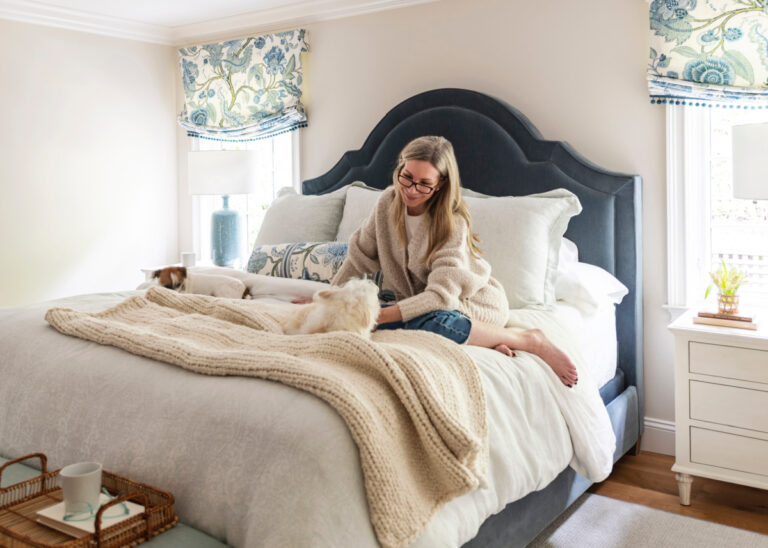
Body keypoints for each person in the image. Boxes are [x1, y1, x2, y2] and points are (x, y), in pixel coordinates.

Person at [317, 136, 577, 387]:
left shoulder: (451, 224)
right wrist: (328, 297)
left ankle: (528, 340)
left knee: (431, 322)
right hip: (420, 305)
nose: (411, 189)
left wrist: (377, 316)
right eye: (406, 177)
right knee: (396, 317)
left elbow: (440, 299)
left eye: (424, 184)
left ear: (440, 184)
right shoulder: (387, 202)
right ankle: (480, 338)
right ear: (400, 167)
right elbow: (359, 257)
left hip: (471, 303)